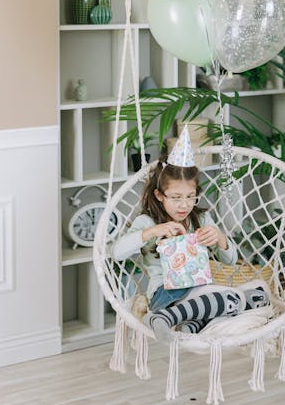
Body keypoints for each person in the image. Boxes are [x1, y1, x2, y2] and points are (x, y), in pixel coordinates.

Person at [110, 126, 270, 341]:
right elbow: (116, 253)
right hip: (166, 293)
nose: (184, 204)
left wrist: (220, 239)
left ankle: (188, 325)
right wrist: (151, 232)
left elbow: (231, 261)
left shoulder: (201, 220)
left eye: (190, 196)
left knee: (261, 291)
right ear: (159, 195)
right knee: (234, 298)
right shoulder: (146, 222)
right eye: (176, 197)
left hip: (200, 289)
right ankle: (168, 316)